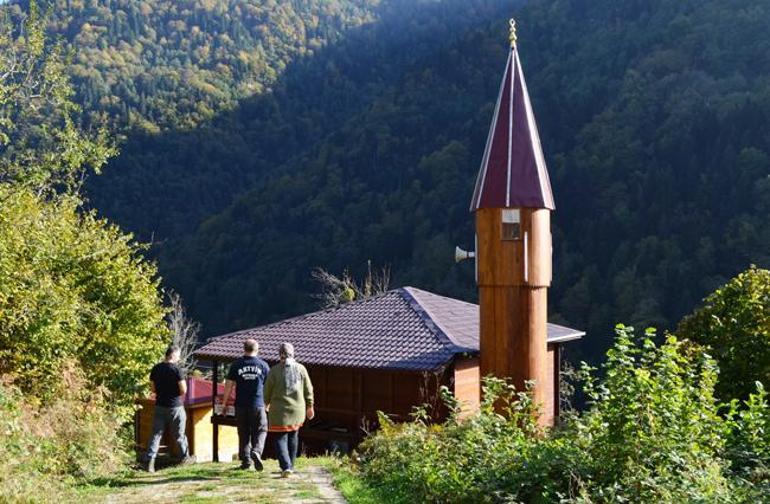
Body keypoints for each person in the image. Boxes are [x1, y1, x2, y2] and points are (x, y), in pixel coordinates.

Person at [264, 342, 315, 478]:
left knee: (280, 438)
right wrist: (310, 406)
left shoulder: (274, 371)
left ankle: (286, 466)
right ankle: (291, 466)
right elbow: (308, 389)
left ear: (279, 354)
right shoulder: (301, 369)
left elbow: (267, 391)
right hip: (298, 410)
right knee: (293, 436)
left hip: (279, 412)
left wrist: (266, 403)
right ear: (293, 354)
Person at [220, 338, 270, 470]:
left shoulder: (236, 364)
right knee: (261, 429)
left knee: (243, 433)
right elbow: (269, 387)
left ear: (244, 349)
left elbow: (228, 386)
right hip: (258, 404)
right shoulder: (263, 365)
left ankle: (246, 460)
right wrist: (268, 403)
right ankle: (257, 451)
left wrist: (224, 404)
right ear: (257, 349)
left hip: (241, 405)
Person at [145, 345, 194, 472]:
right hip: (175, 406)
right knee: (179, 435)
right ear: (173, 355)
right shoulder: (176, 370)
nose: (179, 358)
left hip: (160, 405)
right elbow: (184, 390)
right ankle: (185, 458)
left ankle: (150, 461)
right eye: (178, 355)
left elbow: (153, 388)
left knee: (156, 434)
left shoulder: (156, 368)